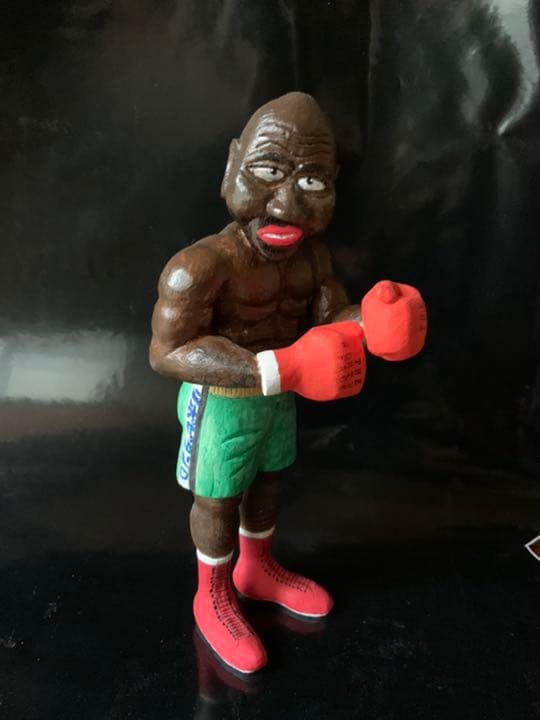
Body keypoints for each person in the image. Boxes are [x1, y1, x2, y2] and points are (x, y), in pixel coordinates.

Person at [149, 92, 426, 674]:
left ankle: (256, 568)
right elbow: (168, 351)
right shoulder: (198, 267)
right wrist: (277, 369)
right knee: (217, 498)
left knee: (270, 479)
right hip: (223, 402)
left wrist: (375, 322)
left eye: (312, 182)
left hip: (279, 398)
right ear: (232, 164)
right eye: (269, 171)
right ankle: (211, 593)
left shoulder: (313, 259)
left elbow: (331, 315)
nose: (286, 204)